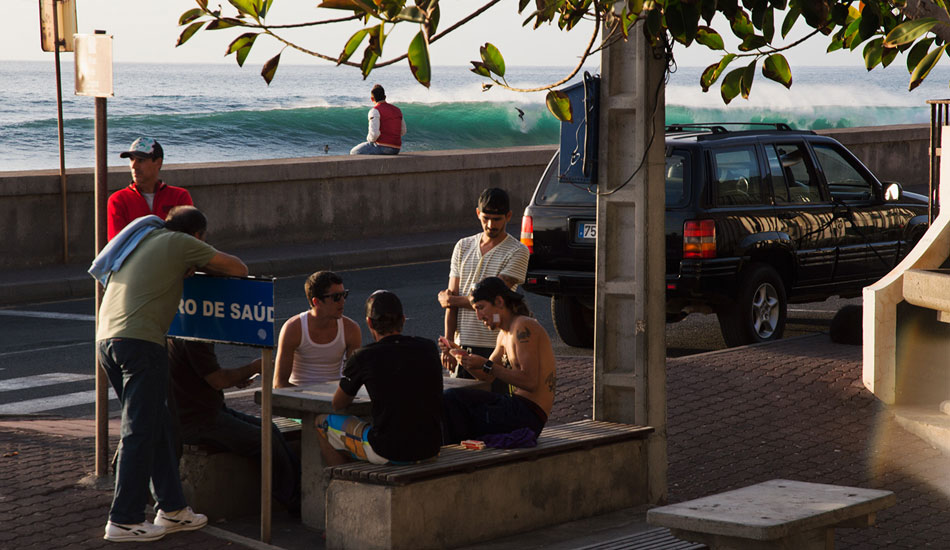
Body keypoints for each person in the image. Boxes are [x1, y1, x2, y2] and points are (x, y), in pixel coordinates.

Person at [95, 205, 248, 543]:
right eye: (202, 241)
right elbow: (238, 268)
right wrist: (199, 259)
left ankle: (173, 509)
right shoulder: (180, 243)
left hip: (107, 341)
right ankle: (124, 518)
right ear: (195, 235)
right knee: (139, 431)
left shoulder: (143, 240)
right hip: (141, 344)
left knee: (161, 424)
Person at [166, 338, 301, 515]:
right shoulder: (194, 339)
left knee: (272, 430)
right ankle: (292, 500)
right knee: (266, 441)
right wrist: (253, 368)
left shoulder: (188, 334)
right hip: (198, 421)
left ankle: (299, 487)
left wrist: (238, 376)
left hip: (210, 411)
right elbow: (219, 380)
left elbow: (209, 374)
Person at [315, 290, 443, 465]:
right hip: (431, 447)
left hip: (389, 450)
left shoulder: (364, 356)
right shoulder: (428, 347)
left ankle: (339, 485)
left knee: (322, 422)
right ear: (403, 320)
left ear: (369, 323)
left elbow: (338, 404)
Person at [440, 277, 556, 445]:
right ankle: (456, 453)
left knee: (454, 405)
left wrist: (486, 364)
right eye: (475, 310)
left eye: (481, 308)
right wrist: (462, 357)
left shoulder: (523, 326)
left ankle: (455, 458)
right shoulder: (504, 334)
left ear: (499, 302)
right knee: (450, 398)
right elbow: (486, 376)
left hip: (528, 415)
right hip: (515, 406)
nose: (479, 316)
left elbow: (530, 382)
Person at [437, 187, 529, 394]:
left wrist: (450, 300)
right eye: (485, 218)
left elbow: (491, 298)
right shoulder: (463, 246)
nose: (490, 225)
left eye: (497, 219)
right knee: (460, 409)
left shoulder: (518, 251)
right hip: (462, 346)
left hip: (496, 346)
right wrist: (449, 343)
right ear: (478, 213)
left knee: (494, 405)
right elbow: (451, 300)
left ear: (508, 217)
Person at [274, 271, 362, 388]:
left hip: (336, 396)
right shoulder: (293, 328)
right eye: (336, 297)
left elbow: (354, 379)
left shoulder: (351, 329)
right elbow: (279, 383)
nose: (342, 301)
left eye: (344, 295)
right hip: (299, 396)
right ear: (317, 301)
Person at [108, 137, 193, 240]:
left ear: (158, 163)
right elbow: (117, 244)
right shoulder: (118, 200)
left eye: (141, 160)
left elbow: (189, 240)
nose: (134, 166)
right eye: (132, 159)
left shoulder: (179, 196)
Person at [349, 84, 406, 155]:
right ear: (385, 97)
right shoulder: (397, 110)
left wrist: (369, 140)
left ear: (372, 99)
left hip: (381, 147)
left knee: (354, 152)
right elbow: (403, 131)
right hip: (396, 149)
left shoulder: (375, 111)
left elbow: (374, 134)